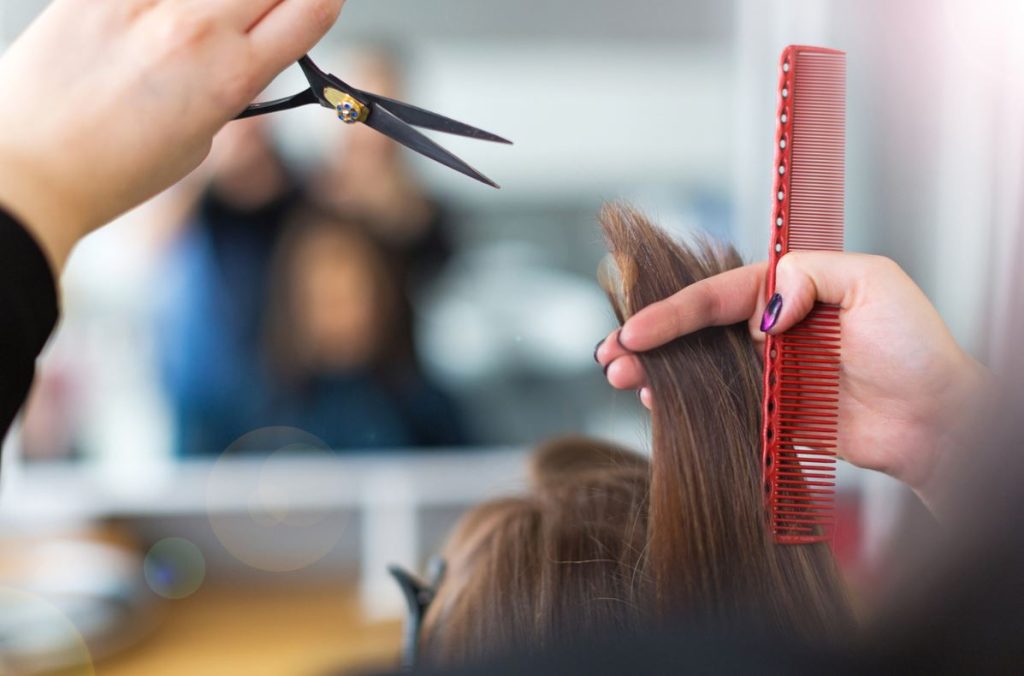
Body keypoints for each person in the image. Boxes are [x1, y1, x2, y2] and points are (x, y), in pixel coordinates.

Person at [259, 206, 465, 448]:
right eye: (325, 299)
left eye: (351, 296)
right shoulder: (272, 412)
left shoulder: (422, 406)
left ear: (382, 298)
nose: (339, 315)